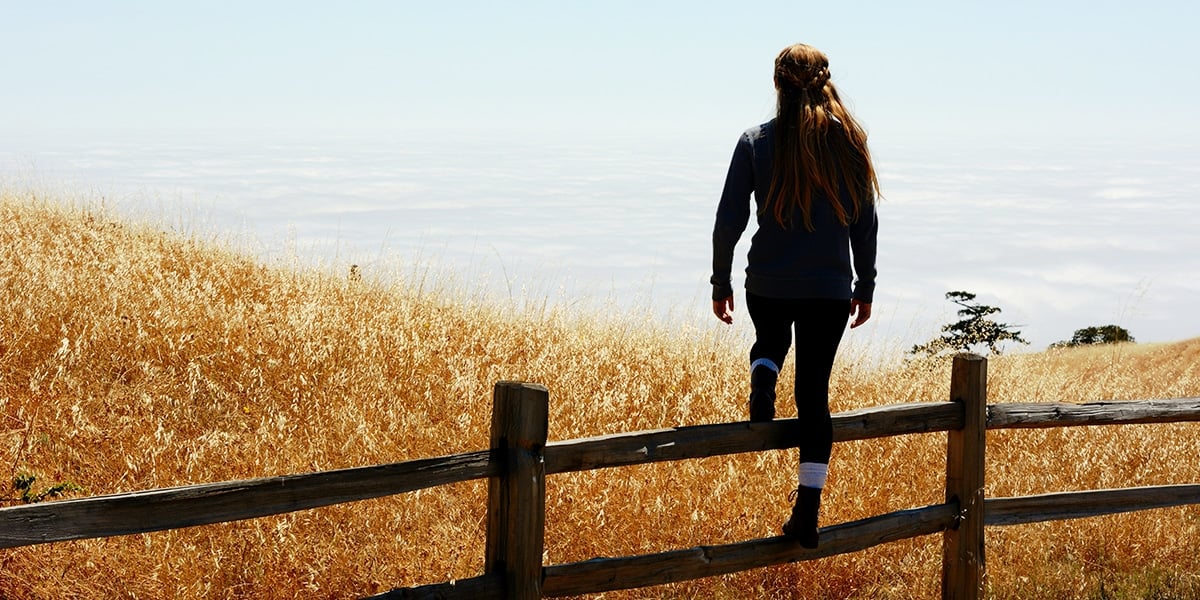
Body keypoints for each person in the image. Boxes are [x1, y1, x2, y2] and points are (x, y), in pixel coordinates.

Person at [709, 43, 879, 549]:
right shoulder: (849, 141)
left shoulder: (755, 142)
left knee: (769, 338)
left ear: (778, 85)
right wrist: (865, 285)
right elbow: (865, 223)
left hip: (767, 282)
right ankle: (807, 511)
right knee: (814, 398)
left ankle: (763, 377)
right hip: (829, 290)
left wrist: (721, 282)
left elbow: (728, 221)